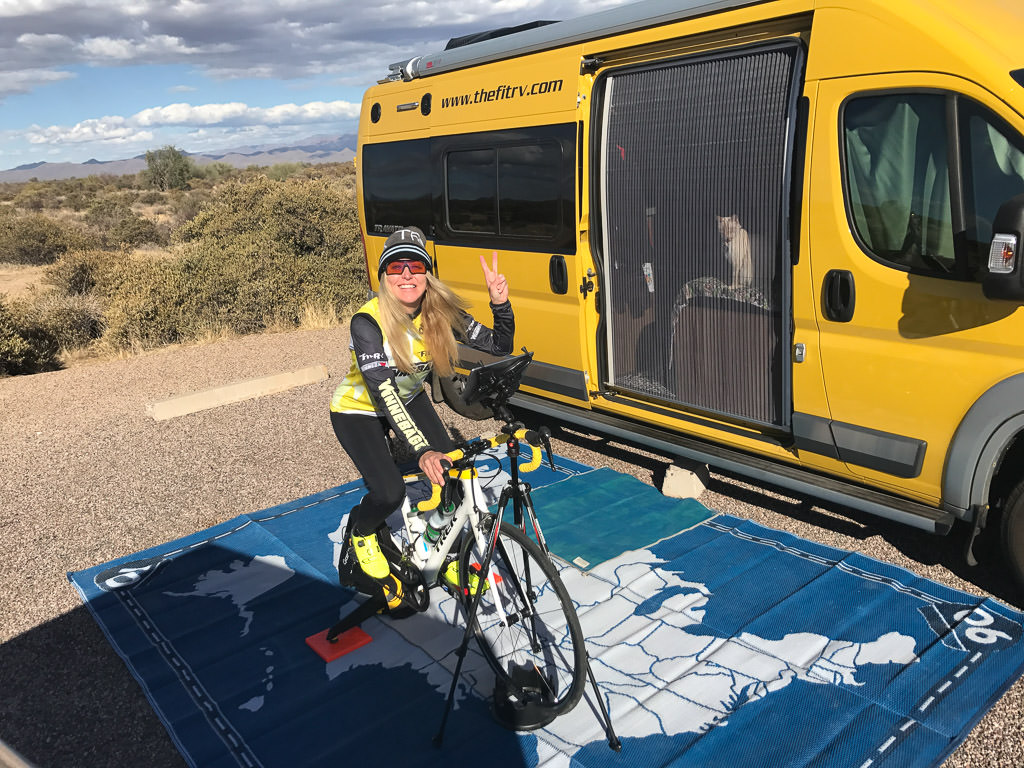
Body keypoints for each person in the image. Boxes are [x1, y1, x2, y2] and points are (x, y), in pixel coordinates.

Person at [330, 226, 513, 609]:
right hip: (359, 410)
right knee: (389, 492)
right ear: (383, 277)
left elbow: (499, 345)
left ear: (427, 274)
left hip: (408, 398)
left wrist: (500, 303)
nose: (407, 274)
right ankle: (362, 533)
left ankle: (440, 547)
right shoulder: (368, 322)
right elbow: (382, 392)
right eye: (396, 267)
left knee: (453, 471)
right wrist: (422, 450)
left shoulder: (439, 312)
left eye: (416, 265)